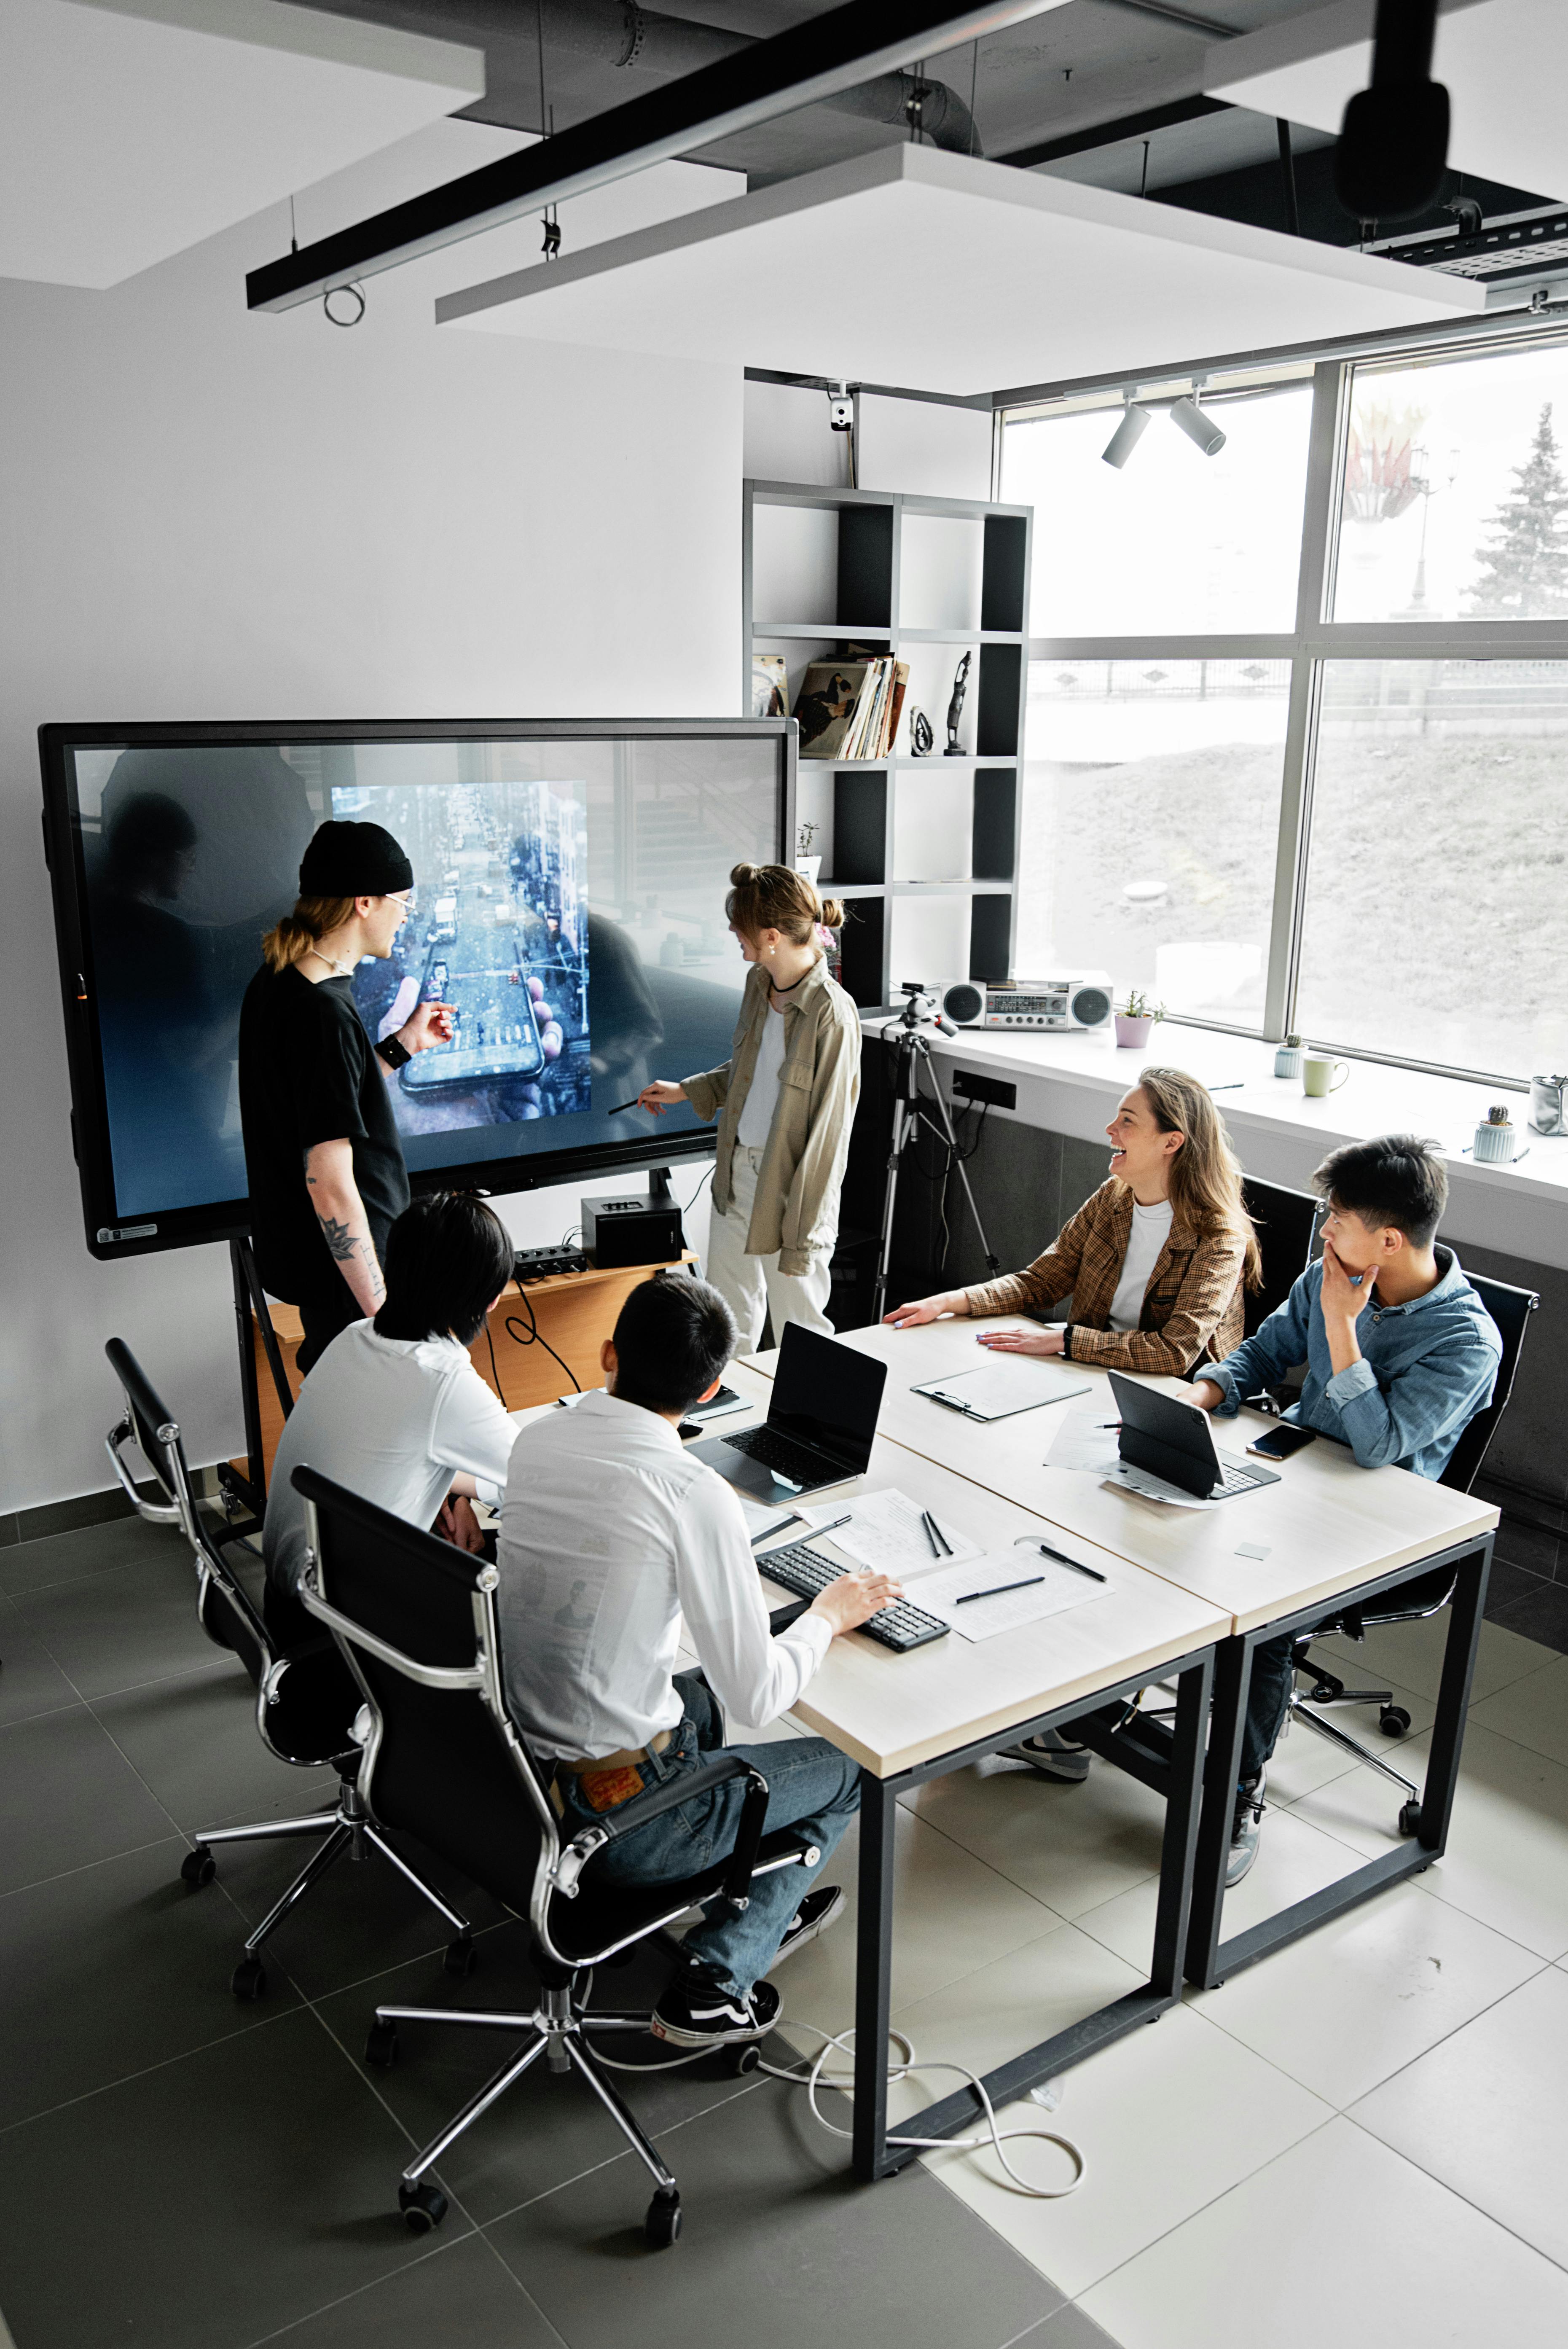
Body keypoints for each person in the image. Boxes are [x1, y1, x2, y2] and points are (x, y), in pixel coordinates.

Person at [494, 1271, 902, 2048]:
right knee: (852, 1765)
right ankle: (716, 1980)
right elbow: (759, 1694)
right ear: (714, 1387)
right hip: (619, 1826)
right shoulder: (692, 1491)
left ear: (609, 1354)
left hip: (521, 1776)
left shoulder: (535, 1440)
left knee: (698, 1694)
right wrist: (825, 1615)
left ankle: (751, 1889)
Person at [884, 1068, 1258, 1783]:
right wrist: (953, 1302)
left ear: (1173, 1142)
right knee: (982, 1486)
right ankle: (1027, 1701)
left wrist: (1063, 1343)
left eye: (1127, 1123)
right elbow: (1039, 1282)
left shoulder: (1219, 1235)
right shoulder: (1116, 1197)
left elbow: (1175, 1352)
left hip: (1166, 1416)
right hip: (1084, 1392)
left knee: (1069, 1533)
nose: (1110, 1134)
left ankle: (1067, 1720)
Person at [1192, 1134, 1502, 1885]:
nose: (1324, 1231)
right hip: (1293, 1477)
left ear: (1389, 1239)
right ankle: (1091, 1725)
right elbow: (1261, 1357)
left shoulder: (1466, 1341)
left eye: (1337, 1219)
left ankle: (1236, 1795)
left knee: (1260, 1625)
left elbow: (1381, 1447)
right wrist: (1203, 1390)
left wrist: (1340, 1322)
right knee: (1150, 1522)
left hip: (1378, 1527)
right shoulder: (1329, 1273)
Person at [238, 821, 456, 1375]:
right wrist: (386, 1316)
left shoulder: (280, 981)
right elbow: (330, 1186)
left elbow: (324, 1098)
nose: (406, 914)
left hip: (325, 1276)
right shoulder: (322, 1013)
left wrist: (405, 1044)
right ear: (365, 903)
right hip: (352, 1283)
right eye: (401, 901)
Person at [263, 1193, 519, 1642]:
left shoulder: (354, 1337)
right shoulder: (444, 1380)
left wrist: (454, 1491)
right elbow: (540, 1480)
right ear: (492, 1299)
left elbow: (387, 1451)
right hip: (349, 1629)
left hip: (288, 1599)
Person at [636, 864, 858, 1351]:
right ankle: (730, 1418)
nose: (734, 937)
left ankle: (810, 1424)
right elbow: (749, 1070)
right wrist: (687, 1090)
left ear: (772, 936)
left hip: (793, 1187)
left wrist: (804, 1226)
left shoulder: (832, 1014)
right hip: (737, 1170)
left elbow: (828, 1136)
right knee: (726, 1317)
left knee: (800, 1324)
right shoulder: (760, 985)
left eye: (740, 930)